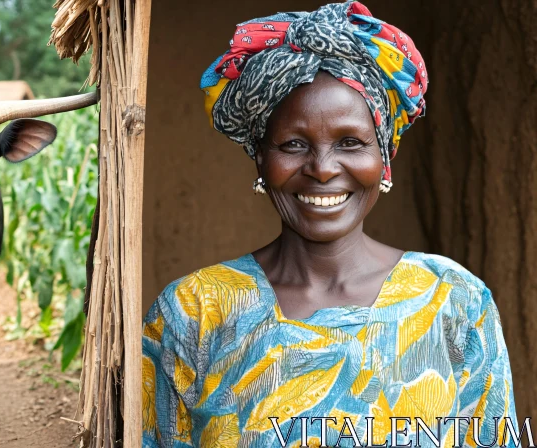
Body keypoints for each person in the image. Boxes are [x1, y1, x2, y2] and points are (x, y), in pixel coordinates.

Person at [141, 2, 518, 447]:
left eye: (351, 143)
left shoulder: (454, 301)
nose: (322, 169)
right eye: (294, 143)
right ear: (261, 157)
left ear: (384, 158)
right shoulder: (195, 312)